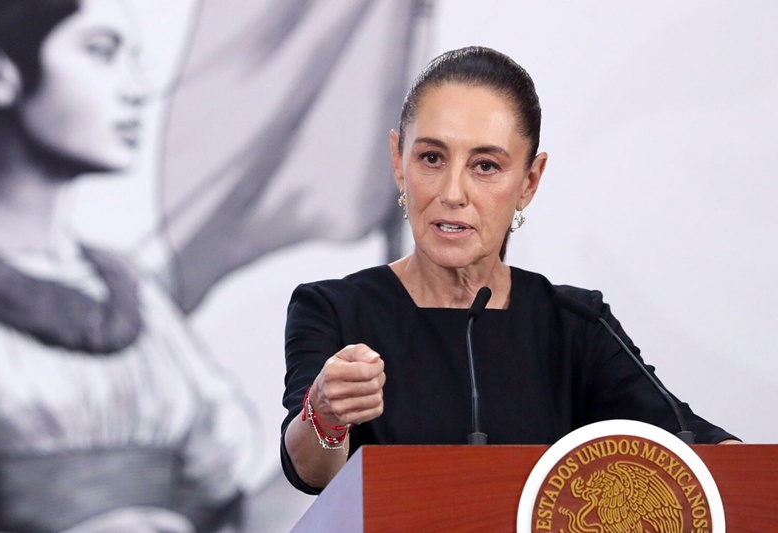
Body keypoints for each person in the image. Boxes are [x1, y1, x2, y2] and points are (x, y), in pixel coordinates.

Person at [280, 46, 738, 494]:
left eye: (485, 166)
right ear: (399, 161)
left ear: (529, 181)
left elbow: (687, 440)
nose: (453, 193)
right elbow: (310, 472)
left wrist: (751, 470)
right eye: (432, 158)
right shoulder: (333, 309)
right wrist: (325, 413)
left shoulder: (575, 322)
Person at [0, 1, 257, 531]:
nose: (137, 89)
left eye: (134, 59)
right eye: (101, 52)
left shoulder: (131, 291)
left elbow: (223, 486)